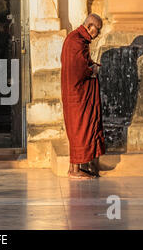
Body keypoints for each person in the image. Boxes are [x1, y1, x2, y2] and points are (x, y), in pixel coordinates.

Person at [60, 13, 105, 179]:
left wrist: (91, 65)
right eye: (97, 30)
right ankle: (75, 170)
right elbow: (79, 68)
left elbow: (80, 62)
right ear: (89, 26)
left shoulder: (76, 38)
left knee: (78, 129)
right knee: (80, 129)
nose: (98, 34)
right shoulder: (76, 41)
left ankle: (75, 167)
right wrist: (92, 69)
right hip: (77, 94)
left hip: (75, 92)